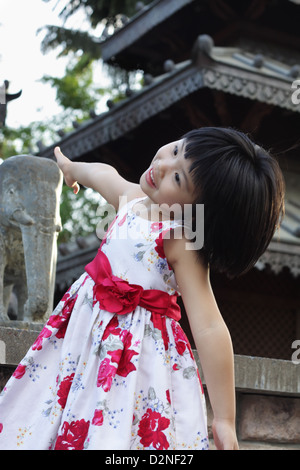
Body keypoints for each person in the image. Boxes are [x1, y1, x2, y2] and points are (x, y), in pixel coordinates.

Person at [0, 127, 284, 450]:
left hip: (131, 363)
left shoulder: (180, 240)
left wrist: (225, 419)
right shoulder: (132, 199)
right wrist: (72, 169)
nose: (164, 165)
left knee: (112, 434)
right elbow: (104, 175)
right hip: (80, 339)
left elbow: (208, 326)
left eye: (178, 180)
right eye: (176, 149)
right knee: (47, 412)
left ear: (198, 212)